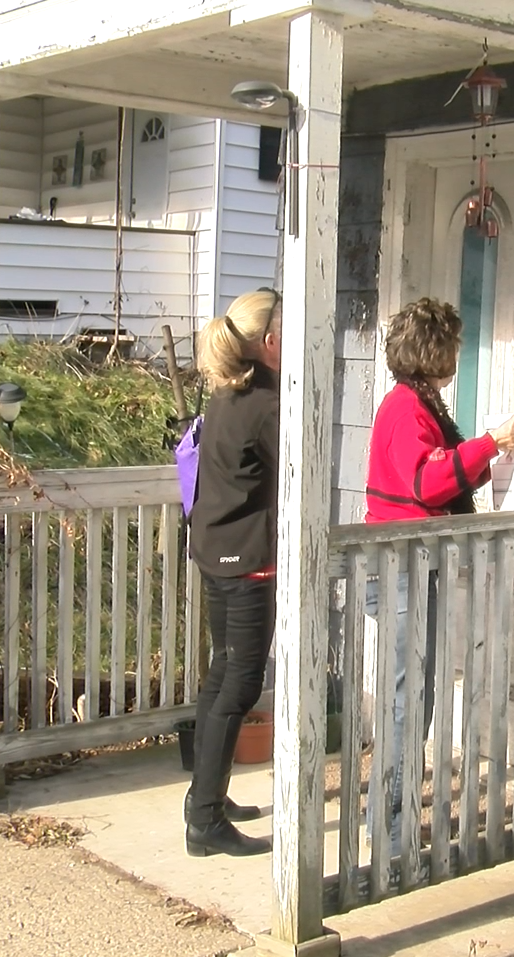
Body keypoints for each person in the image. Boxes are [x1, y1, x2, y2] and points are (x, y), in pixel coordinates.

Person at [364, 296, 514, 854]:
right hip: (403, 570)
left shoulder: (418, 405)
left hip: (413, 568)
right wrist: (492, 441)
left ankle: (390, 829)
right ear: (436, 352)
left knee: (412, 699)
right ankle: (392, 840)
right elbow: (427, 482)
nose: (459, 356)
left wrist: (501, 448)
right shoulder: (405, 409)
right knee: (406, 704)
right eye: (455, 346)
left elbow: (444, 473)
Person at [184, 288, 282, 859]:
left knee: (221, 675)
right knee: (240, 683)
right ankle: (205, 821)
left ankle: (206, 796)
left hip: (214, 548)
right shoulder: (266, 403)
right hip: (244, 560)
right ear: (269, 342)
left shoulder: (228, 393)